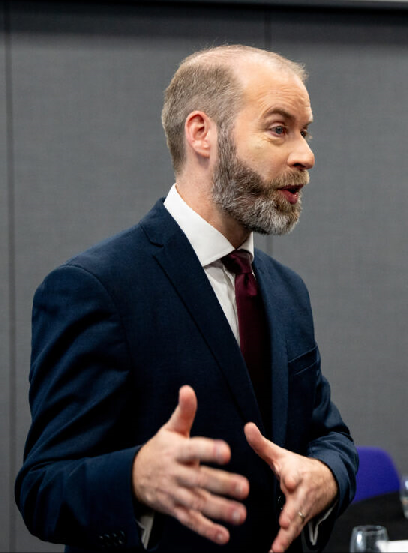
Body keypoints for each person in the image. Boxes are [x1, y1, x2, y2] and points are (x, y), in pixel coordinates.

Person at [16, 45, 357, 552]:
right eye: (279, 128)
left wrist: (327, 477)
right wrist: (133, 477)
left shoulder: (287, 291)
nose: (306, 155)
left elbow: (329, 437)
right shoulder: (96, 288)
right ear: (202, 133)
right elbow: (43, 488)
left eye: (305, 132)